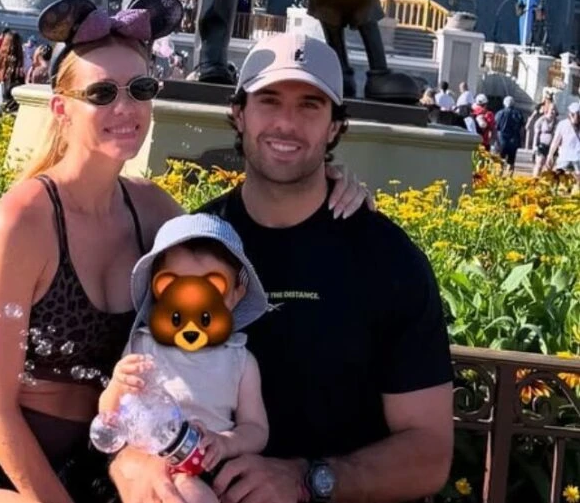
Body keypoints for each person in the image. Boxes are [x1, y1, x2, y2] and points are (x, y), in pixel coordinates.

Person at [0, 0, 369, 503]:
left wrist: (328, 183)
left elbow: (227, 254)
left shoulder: (154, 213)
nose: (125, 107)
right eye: (101, 93)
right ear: (61, 109)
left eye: (140, 89)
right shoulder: (23, 221)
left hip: (84, 467)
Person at [109, 32, 453, 503]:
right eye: (269, 101)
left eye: (310, 105)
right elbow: (131, 387)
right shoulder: (194, 245)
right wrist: (132, 462)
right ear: (239, 113)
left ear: (335, 126)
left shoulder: (388, 258)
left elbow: (429, 453)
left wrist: (309, 480)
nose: (287, 123)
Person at [100, 213, 271, 503]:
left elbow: (256, 429)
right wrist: (118, 384)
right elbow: (109, 414)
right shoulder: (144, 345)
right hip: (148, 461)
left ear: (235, 295)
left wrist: (226, 443)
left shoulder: (239, 360)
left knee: (192, 494)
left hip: (208, 463)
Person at [546, 101, 580, 191]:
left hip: (567, 157)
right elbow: (556, 141)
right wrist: (550, 155)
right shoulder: (563, 124)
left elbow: (555, 141)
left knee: (559, 180)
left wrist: (550, 155)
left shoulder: (562, 124)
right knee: (574, 183)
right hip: (572, 157)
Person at [494, 96, 525, 175]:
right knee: (511, 162)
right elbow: (522, 129)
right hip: (514, 140)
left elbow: (495, 127)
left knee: (500, 160)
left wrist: (495, 139)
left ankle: (498, 176)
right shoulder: (518, 113)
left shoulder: (500, 113)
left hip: (501, 140)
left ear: (504, 103)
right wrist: (522, 140)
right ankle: (509, 177)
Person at [532, 104, 558, 177]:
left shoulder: (557, 122)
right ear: (547, 110)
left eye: (554, 110)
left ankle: (545, 181)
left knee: (549, 166)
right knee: (539, 164)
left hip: (552, 147)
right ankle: (535, 180)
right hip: (542, 145)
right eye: (552, 109)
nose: (553, 111)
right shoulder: (541, 120)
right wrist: (535, 146)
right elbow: (536, 134)